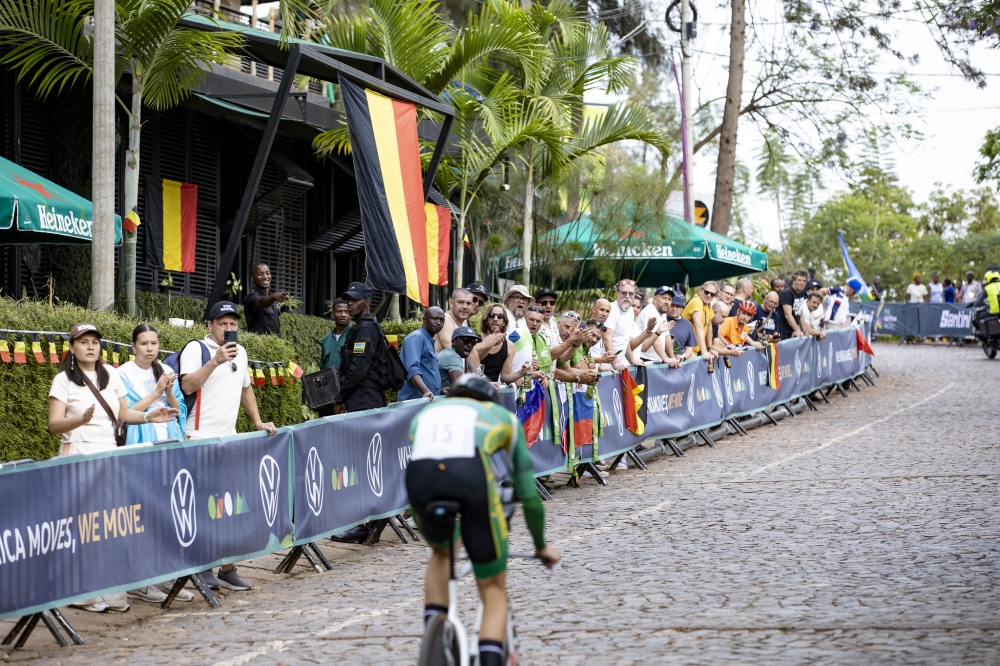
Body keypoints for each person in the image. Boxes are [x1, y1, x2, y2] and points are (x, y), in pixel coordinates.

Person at [406, 375, 560, 666]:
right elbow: (528, 493)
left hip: (420, 480)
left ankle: (434, 632)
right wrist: (540, 545)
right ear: (490, 400)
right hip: (470, 478)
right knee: (492, 588)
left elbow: (428, 464)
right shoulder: (501, 416)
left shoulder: (426, 414)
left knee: (442, 550)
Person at [48, 323, 179, 612]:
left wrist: (150, 417)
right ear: (72, 348)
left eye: (94, 341)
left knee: (107, 525)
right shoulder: (63, 381)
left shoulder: (111, 377)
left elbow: (123, 414)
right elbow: (54, 425)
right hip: (78, 455)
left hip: (108, 456)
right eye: (83, 342)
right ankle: (80, 593)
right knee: (82, 525)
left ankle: (109, 590)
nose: (90, 346)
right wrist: (79, 420)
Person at [180, 301, 275, 592]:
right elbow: (186, 386)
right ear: (209, 325)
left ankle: (228, 567)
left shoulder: (241, 352)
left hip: (229, 439)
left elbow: (245, 388)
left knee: (228, 505)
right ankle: (204, 566)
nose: (229, 328)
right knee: (204, 505)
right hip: (197, 438)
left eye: (233, 323)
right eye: (222, 323)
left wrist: (258, 422)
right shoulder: (195, 349)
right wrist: (215, 361)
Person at [116, 323, 194, 604]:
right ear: (133, 346)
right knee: (143, 512)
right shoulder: (122, 374)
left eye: (154, 343)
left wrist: (170, 392)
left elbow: (181, 410)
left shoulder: (165, 370)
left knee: (165, 512)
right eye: (144, 344)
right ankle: (140, 579)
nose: (150, 349)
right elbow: (125, 413)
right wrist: (157, 391)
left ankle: (165, 575)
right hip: (141, 449)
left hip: (169, 446)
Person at [334, 282, 390, 414]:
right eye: (348, 300)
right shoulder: (359, 327)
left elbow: (358, 368)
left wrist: (340, 398)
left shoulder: (366, 328)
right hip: (360, 397)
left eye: (355, 300)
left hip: (365, 399)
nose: (349, 304)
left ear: (367, 302)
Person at [468, 304, 542, 385]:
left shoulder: (509, 346)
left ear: (504, 322)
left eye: (500, 316)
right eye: (492, 315)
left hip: (495, 392)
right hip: (475, 389)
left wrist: (521, 372)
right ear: (486, 320)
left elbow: (505, 377)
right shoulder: (474, 341)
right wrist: (486, 344)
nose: (495, 319)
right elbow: (472, 369)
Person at [399, 307, 446, 401]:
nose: (438, 322)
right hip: (414, 403)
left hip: (427, 401)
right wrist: (425, 391)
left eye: (441, 320)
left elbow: (427, 372)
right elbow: (412, 369)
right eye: (435, 318)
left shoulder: (428, 340)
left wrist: (439, 390)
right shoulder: (416, 338)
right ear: (424, 320)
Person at [632, 286, 679, 367]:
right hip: (644, 360)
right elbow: (654, 338)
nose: (667, 302)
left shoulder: (662, 312)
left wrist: (672, 358)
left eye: (669, 299)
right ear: (655, 299)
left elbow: (667, 337)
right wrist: (666, 358)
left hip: (655, 361)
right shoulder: (651, 311)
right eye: (664, 298)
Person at [602, 279, 640, 370]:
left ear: (634, 295)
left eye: (631, 294)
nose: (627, 296)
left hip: (618, 366)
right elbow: (607, 339)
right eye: (624, 293)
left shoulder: (630, 310)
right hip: (605, 365)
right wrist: (616, 364)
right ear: (617, 293)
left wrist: (632, 361)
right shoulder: (611, 309)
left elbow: (625, 341)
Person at [243, 263, 290, 335]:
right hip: (260, 344)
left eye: (267, 273)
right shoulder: (251, 297)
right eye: (260, 274)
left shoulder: (273, 299)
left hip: (275, 344)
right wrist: (273, 297)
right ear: (252, 278)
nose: (265, 277)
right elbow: (261, 302)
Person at [681, 281, 719, 357]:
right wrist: (704, 351)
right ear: (701, 290)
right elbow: (698, 326)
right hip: (685, 350)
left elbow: (709, 325)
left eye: (712, 294)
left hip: (695, 350)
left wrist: (710, 347)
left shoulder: (708, 304)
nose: (709, 295)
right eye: (706, 292)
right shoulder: (697, 301)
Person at [438, 326, 479, 393]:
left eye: (473, 342)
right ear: (453, 342)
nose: (469, 345)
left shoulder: (447, 352)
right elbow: (460, 390)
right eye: (465, 340)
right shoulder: (453, 357)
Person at [435, 288, 473, 352]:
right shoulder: (445, 321)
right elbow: (453, 352)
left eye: (468, 303)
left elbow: (472, 353)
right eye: (460, 302)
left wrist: (477, 362)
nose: (465, 307)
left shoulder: (464, 322)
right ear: (451, 303)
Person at [320, 299, 353, 370]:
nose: (343, 315)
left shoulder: (355, 335)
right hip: (329, 380)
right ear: (332, 314)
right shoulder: (326, 339)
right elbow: (322, 366)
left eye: (347, 312)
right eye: (339, 311)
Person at [776, 270, 809, 339]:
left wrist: (806, 331)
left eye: (804, 281)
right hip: (781, 331)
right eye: (799, 280)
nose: (801, 283)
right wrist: (797, 330)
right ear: (793, 281)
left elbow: (799, 313)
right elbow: (788, 314)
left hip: (791, 331)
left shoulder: (802, 293)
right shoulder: (787, 293)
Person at [664, 293, 696, 362]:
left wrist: (682, 358)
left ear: (683, 308)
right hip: (661, 363)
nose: (674, 309)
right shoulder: (661, 318)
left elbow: (689, 348)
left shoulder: (687, 324)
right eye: (672, 305)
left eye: (678, 306)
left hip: (679, 364)